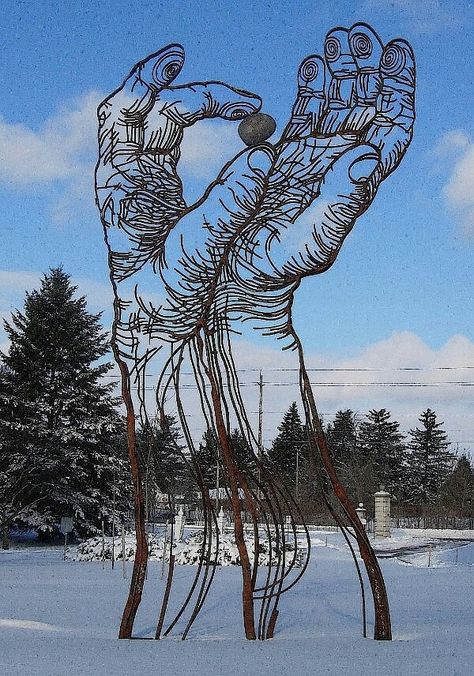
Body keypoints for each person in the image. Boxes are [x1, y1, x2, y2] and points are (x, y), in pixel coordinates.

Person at [95, 23, 415, 641]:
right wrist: (162, 315)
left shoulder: (185, 310)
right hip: (171, 328)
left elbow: (218, 323)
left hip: (201, 330)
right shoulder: (156, 304)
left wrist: (237, 304)